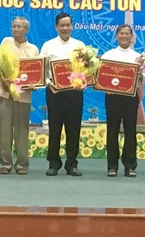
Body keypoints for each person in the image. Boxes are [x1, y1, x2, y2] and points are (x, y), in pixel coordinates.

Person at [41, 12, 85, 177]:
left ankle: (71, 164)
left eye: (68, 25)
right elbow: (42, 69)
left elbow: (86, 69)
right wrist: (48, 83)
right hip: (55, 91)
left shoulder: (80, 45)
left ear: (72, 26)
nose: (65, 28)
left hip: (75, 92)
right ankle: (54, 163)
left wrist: (83, 83)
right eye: (62, 25)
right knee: (54, 128)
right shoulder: (48, 45)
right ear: (56, 27)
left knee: (74, 129)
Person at [0, 17, 39, 176]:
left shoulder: (33, 49)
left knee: (22, 130)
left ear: (26, 29)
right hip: (5, 92)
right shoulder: (6, 42)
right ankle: (5, 164)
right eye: (13, 26)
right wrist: (4, 80)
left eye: (19, 27)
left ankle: (21, 164)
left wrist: (35, 83)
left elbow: (36, 72)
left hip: (23, 95)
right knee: (4, 129)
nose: (15, 29)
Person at [101, 24, 145, 177]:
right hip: (112, 97)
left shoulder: (138, 57)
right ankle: (112, 166)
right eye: (122, 33)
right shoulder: (108, 55)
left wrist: (140, 74)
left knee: (130, 131)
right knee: (112, 131)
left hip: (130, 97)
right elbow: (101, 76)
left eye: (127, 34)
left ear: (132, 37)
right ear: (116, 35)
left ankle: (130, 166)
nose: (124, 36)